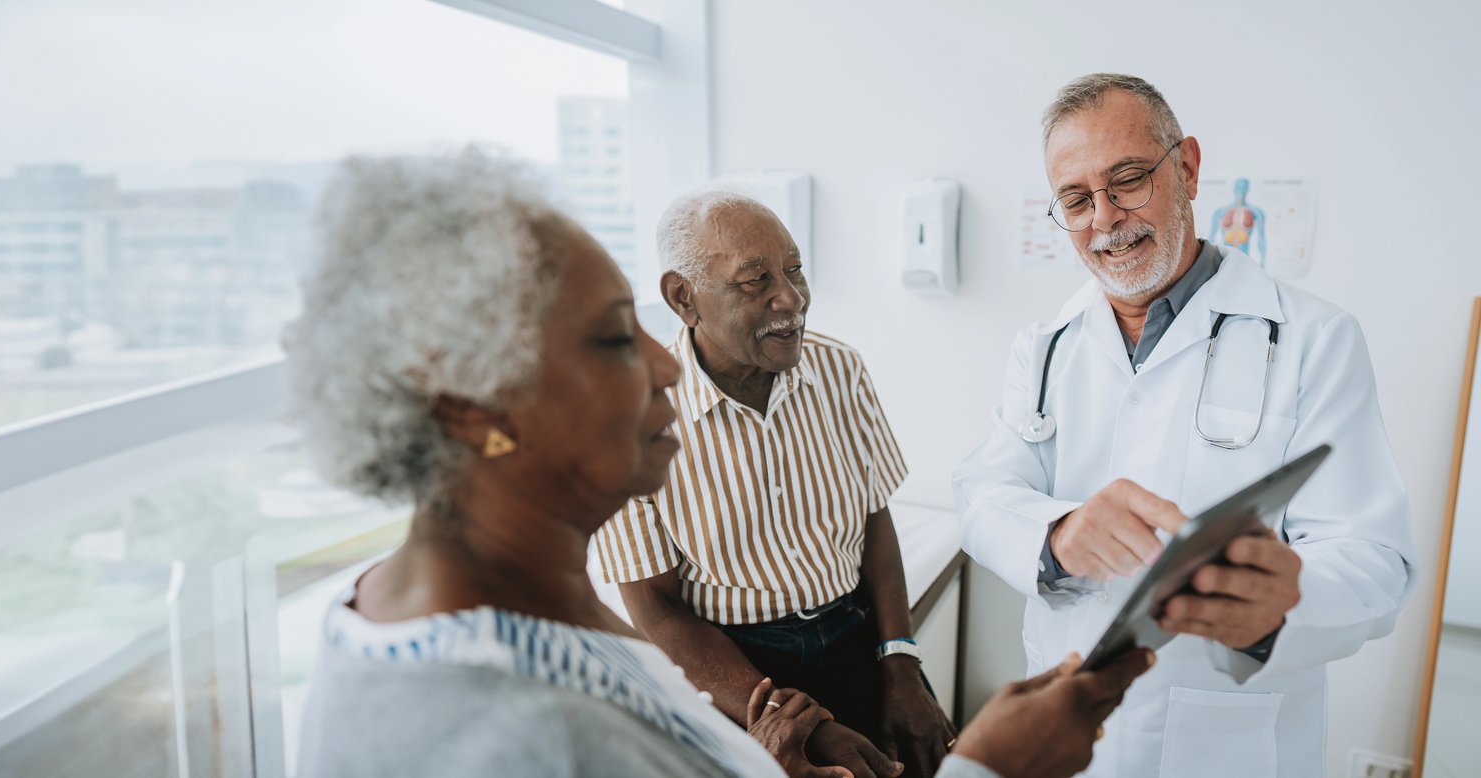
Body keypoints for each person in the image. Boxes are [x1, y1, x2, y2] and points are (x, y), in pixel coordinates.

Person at [288, 149, 1152, 778]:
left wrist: (868, 676)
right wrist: (997, 767)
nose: (664, 366)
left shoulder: (527, 625)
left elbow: (865, 522)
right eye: (610, 340)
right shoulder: (503, 730)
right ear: (473, 408)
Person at [953, 73, 1416, 777]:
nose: (1105, 218)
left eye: (1128, 179)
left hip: (1226, 742)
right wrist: (1058, 535)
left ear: (1189, 167)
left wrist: (1284, 601)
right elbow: (983, 494)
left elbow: (1376, 562)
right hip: (1068, 724)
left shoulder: (1315, 339)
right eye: (1076, 200)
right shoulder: (1044, 346)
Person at [592, 190, 950, 777]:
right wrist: (786, 715)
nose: (793, 299)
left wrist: (901, 665)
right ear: (684, 298)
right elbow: (655, 611)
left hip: (857, 638)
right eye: (755, 280)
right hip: (731, 668)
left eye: (795, 269)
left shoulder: (840, 370)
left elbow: (874, 520)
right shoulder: (627, 416)